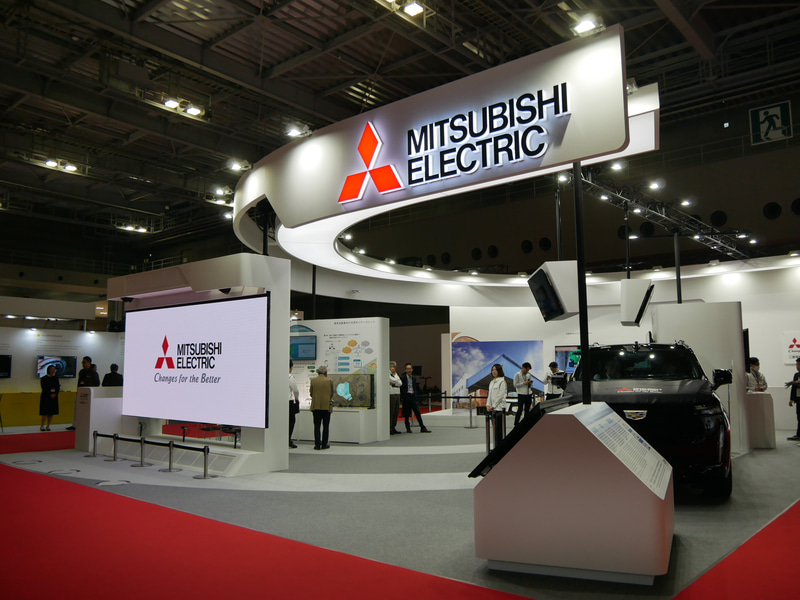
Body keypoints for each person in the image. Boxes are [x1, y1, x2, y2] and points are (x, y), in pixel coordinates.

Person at [67, 356, 100, 430]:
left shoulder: (93, 373)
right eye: (82, 362)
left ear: (89, 363)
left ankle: (88, 424)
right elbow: (79, 383)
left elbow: (97, 384)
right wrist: (77, 391)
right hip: (80, 393)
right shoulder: (81, 372)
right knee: (77, 409)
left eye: (84, 362)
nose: (83, 364)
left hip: (89, 395)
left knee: (88, 410)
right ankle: (75, 425)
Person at [309, 365, 334, 450]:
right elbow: (332, 393)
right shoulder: (330, 381)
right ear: (326, 372)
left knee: (317, 426)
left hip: (316, 406)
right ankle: (324, 444)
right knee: (326, 426)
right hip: (326, 406)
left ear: (318, 372)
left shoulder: (313, 381)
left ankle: (317, 445)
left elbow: (311, 393)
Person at [400, 363, 430, 433]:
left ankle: (422, 427)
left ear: (412, 369)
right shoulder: (402, 378)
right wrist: (403, 396)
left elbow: (414, 387)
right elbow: (401, 388)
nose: (409, 370)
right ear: (405, 370)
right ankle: (408, 428)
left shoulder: (414, 378)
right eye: (407, 369)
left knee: (417, 412)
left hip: (412, 396)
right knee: (406, 414)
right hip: (406, 397)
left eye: (410, 368)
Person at [485, 364, 508, 447]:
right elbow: (490, 395)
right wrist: (488, 405)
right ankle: (496, 447)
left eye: (495, 370)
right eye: (492, 370)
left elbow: (500, 395)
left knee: (499, 430)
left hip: (499, 409)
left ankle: (500, 447)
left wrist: (493, 405)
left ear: (499, 371)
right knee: (494, 429)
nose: (493, 371)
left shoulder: (502, 382)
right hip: (492, 409)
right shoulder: (492, 382)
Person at [39, 365, 60, 431]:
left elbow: (57, 387)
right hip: (46, 397)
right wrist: (50, 394)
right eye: (52, 369)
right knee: (45, 412)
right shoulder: (44, 378)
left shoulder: (56, 378)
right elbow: (44, 388)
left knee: (51, 412)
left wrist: (55, 394)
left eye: (54, 369)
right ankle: (42, 425)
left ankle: (48, 426)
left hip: (54, 397)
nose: (53, 371)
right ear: (48, 370)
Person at [787, 357, 800, 441]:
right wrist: (791, 399)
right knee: (799, 416)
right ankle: (798, 434)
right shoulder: (796, 375)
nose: (798, 366)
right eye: (797, 364)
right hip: (798, 399)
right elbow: (793, 388)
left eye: (799, 364)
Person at [388, 361, 403, 435]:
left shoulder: (395, 374)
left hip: (397, 393)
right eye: (393, 367)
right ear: (389, 367)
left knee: (396, 411)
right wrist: (396, 382)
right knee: (391, 411)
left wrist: (395, 382)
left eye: (395, 367)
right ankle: (389, 427)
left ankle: (393, 427)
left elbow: (400, 383)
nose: (394, 368)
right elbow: (391, 380)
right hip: (391, 394)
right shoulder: (387, 373)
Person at [288, 359, 300, 448]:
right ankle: (288, 439)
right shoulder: (290, 377)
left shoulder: (277, 375)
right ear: (290, 368)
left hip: (277, 402)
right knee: (291, 421)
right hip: (288, 402)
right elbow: (295, 390)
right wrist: (296, 399)